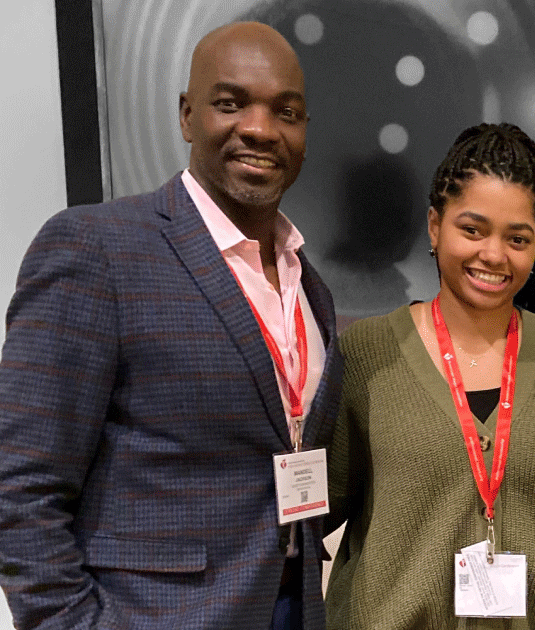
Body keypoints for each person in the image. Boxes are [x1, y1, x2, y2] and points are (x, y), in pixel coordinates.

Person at [0, 22, 343, 630]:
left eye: (285, 112)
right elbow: (20, 484)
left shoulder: (305, 281)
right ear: (188, 116)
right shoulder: (96, 247)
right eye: (230, 103)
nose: (261, 129)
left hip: (295, 607)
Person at [324, 122, 535, 629]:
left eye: (517, 237)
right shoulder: (368, 355)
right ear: (435, 227)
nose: (494, 255)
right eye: (472, 229)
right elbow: (321, 507)